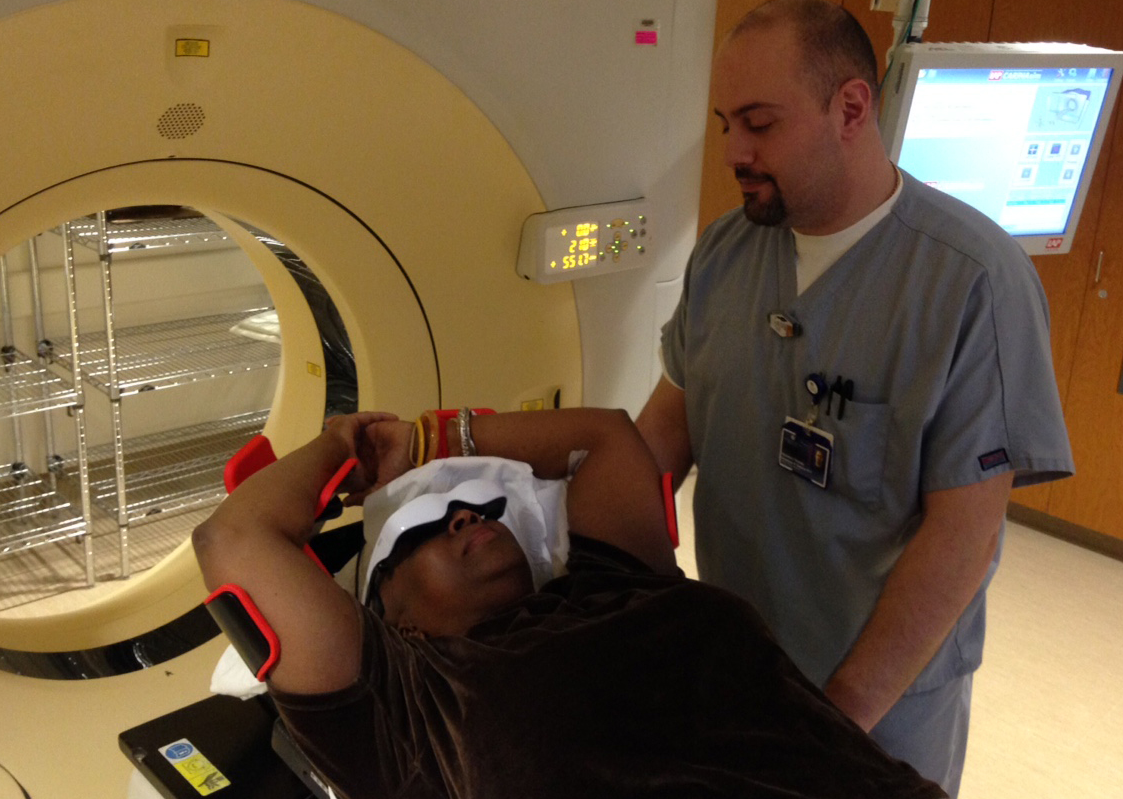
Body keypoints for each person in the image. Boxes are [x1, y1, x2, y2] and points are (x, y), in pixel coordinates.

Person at [635, 1, 1075, 795]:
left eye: (758, 123)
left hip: (878, 703)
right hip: (737, 666)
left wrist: (832, 720)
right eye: (725, 121)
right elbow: (660, 440)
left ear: (849, 108)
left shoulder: (970, 282)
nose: (733, 149)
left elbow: (961, 540)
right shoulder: (729, 252)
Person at [193, 407, 946, 798]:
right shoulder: (401, 702)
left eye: (485, 511)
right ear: (391, 613)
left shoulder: (609, 575)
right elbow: (234, 537)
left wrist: (425, 439)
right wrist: (347, 446)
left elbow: (605, 437)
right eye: (421, 530)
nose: (466, 517)